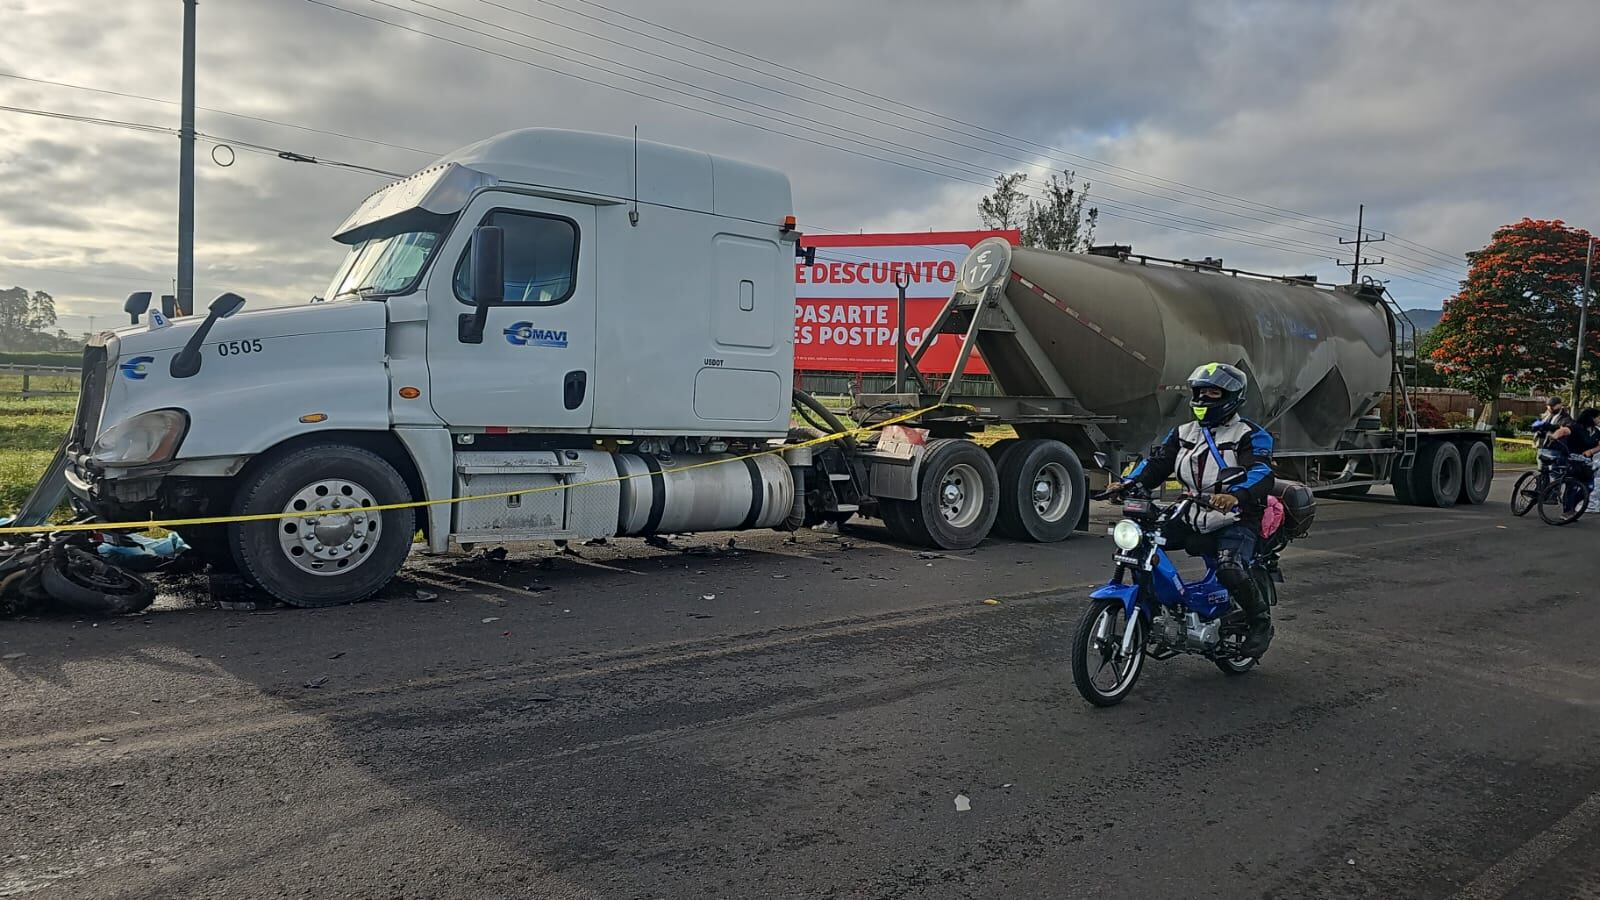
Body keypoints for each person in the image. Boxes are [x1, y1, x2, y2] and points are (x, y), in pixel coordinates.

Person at [1107, 363, 1277, 656]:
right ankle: (1154, 607)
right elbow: (1157, 463)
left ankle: (1259, 622)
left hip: (1236, 516)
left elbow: (1261, 472)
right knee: (1141, 545)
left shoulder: (1249, 434)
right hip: (1191, 512)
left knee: (1229, 567)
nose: (1204, 399)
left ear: (1232, 397)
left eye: (1214, 392)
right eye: (1200, 392)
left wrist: (1236, 495)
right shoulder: (1183, 432)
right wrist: (1127, 484)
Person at [1549, 408, 1600, 512]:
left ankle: (1573, 505)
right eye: (1597, 417)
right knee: (1572, 485)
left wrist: (1591, 451)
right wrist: (1555, 436)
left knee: (1589, 487)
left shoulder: (1596, 431)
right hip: (1571, 460)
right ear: (1590, 418)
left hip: (1586, 463)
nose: (1599, 419)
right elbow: (1564, 431)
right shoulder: (1576, 427)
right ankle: (1568, 510)